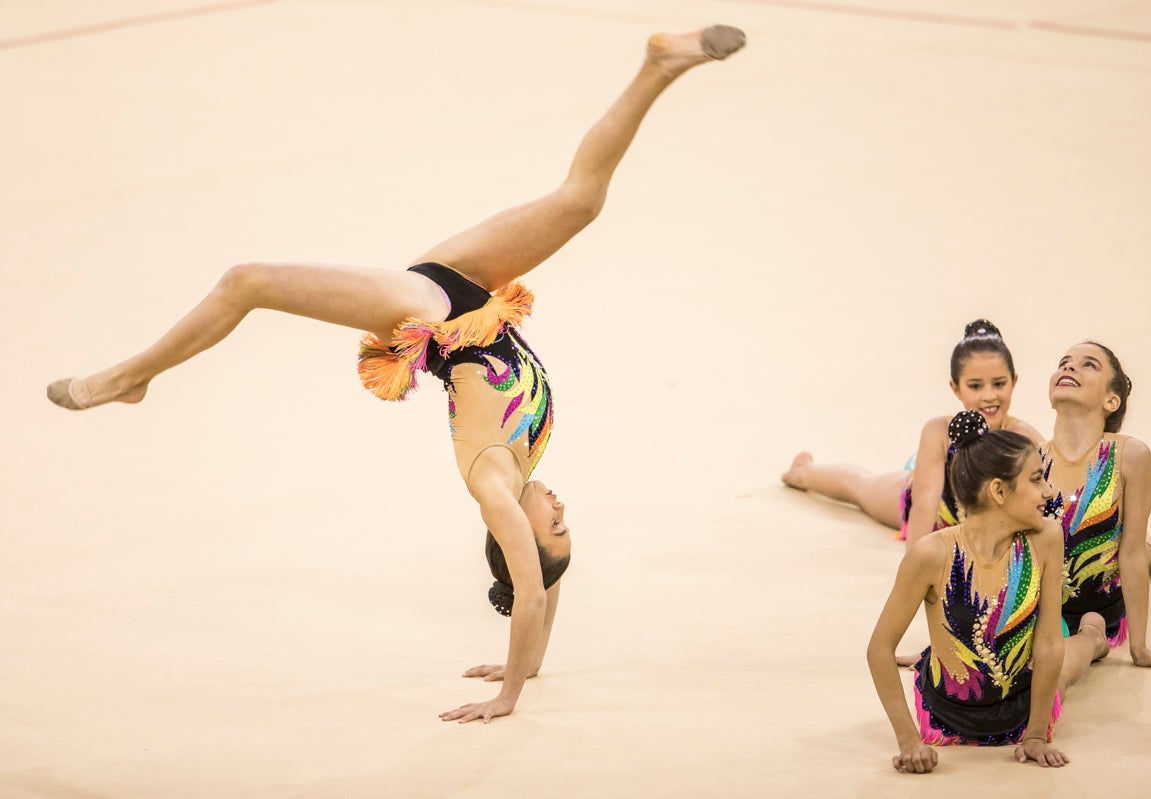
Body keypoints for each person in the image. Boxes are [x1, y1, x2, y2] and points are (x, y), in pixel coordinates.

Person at [45, 25, 748, 723]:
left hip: (428, 313)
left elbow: (528, 589)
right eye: (568, 526)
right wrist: (527, 665)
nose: (563, 512)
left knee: (246, 281)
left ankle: (125, 379)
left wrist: (506, 696)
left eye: (556, 528)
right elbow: (542, 583)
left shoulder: (494, 485)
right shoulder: (528, 469)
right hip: (473, 282)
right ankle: (659, 66)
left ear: (523, 537)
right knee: (581, 200)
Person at [867, 410, 1108, 774]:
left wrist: (1037, 734)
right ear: (998, 490)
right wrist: (908, 740)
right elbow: (879, 649)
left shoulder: (1046, 538)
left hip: (1024, 702)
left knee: (1069, 661)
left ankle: (1093, 635)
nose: (1049, 491)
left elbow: (1046, 643)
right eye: (1037, 479)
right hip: (947, 713)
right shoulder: (932, 554)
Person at [783, 320, 1040, 547]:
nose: (988, 395)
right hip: (933, 508)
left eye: (999, 383)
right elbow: (924, 506)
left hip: (978, 526)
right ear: (956, 388)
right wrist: (917, 569)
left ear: (1014, 381)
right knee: (860, 485)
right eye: (975, 385)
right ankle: (804, 472)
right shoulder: (938, 432)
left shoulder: (1024, 439)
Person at [1042, 342, 1151, 666]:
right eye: (1064, 362)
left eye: (1088, 365)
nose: (1069, 367)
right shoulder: (1031, 458)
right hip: (1045, 610)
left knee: (1133, 539)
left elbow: (1131, 551)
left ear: (1111, 400)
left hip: (1100, 610)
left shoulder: (1129, 455)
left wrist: (1140, 649)